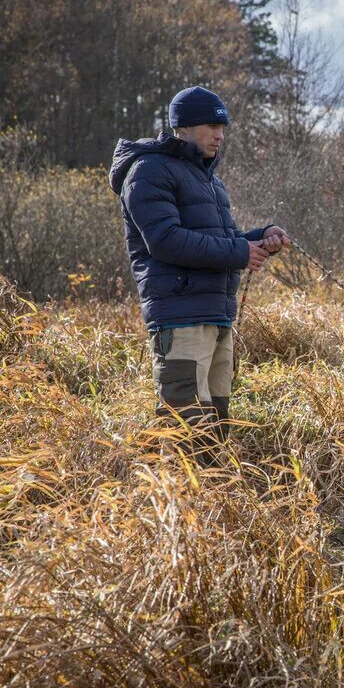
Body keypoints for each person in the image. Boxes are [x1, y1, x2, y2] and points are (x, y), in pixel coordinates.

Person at [109, 86, 290, 462]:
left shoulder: (208, 179)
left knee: (215, 427)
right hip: (181, 319)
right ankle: (175, 513)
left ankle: (214, 513)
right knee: (185, 432)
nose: (220, 134)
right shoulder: (149, 170)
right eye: (211, 125)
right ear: (184, 127)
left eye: (223, 126)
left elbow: (217, 240)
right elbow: (165, 241)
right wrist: (240, 251)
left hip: (216, 316)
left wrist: (260, 239)